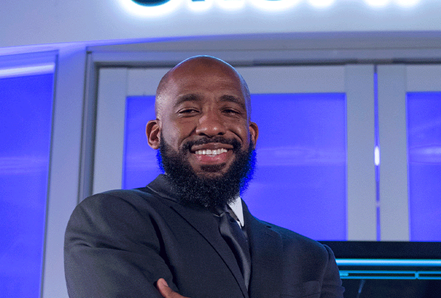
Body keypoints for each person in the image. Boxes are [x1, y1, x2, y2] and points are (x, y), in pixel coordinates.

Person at [64, 56, 344, 298]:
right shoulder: (111, 219)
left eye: (230, 111)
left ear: (252, 135)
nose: (211, 126)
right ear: (154, 134)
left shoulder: (312, 257)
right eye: (189, 111)